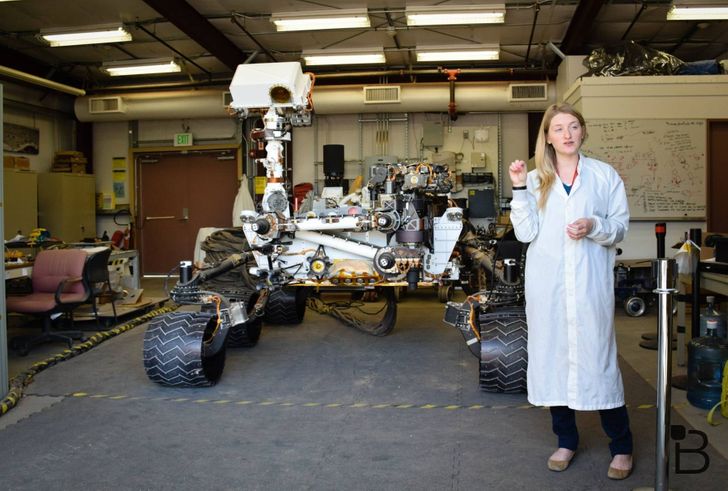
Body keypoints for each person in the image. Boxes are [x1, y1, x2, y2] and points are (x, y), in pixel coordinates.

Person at [508, 103, 633, 480]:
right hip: (548, 287)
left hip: (589, 285)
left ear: (582, 132)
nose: (567, 134)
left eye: (573, 126)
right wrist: (517, 188)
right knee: (554, 361)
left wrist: (593, 225)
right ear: (547, 136)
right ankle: (566, 440)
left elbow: (619, 227)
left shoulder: (603, 175)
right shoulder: (533, 179)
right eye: (558, 128)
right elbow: (525, 233)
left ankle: (622, 447)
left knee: (600, 362)